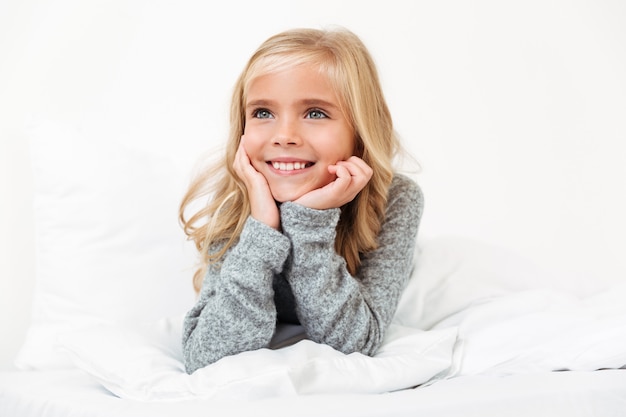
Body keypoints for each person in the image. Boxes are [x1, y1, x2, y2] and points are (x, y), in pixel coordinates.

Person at [179, 27, 423, 374]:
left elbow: (355, 344)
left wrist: (309, 222)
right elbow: (206, 357)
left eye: (315, 113)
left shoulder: (395, 198)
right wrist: (262, 228)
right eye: (263, 113)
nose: (284, 136)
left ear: (360, 131)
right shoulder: (239, 196)